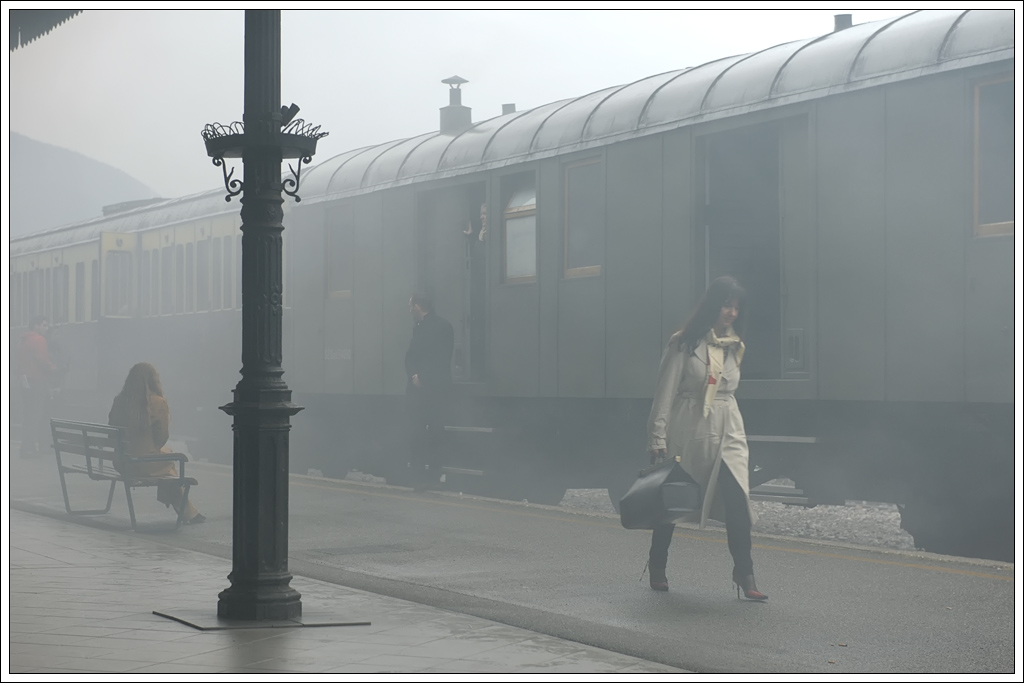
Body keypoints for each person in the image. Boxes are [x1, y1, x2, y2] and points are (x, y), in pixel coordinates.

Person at [644, 275, 767, 601]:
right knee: (673, 501)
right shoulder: (683, 343)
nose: (731, 313)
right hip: (690, 428)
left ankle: (745, 572)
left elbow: (728, 390)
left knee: (738, 499)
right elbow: (665, 392)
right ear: (713, 305)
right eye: (727, 305)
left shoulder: (735, 346)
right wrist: (657, 437)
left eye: (736, 307)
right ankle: (657, 564)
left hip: (729, 430)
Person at [107, 362, 205, 524]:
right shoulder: (158, 402)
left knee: (166, 457)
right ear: (153, 381)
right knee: (170, 462)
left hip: (121, 461)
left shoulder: (119, 400)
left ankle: (188, 511)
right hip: (141, 464)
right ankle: (187, 512)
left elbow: (111, 429)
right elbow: (161, 438)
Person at [404, 294, 454, 487]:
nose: (409, 310)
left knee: (434, 432)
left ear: (417, 306)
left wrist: (422, 377)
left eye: (410, 306)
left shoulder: (442, 327)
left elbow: (441, 358)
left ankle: (433, 474)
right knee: (417, 432)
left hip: (435, 389)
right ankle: (418, 476)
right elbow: (410, 357)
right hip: (418, 390)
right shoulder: (418, 328)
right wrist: (413, 375)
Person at [18, 316, 57, 458]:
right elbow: (43, 361)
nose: (47, 328)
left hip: (25, 382)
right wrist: (54, 369)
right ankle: (33, 449)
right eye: (44, 325)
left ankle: (26, 447)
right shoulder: (39, 340)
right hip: (37, 381)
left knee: (28, 416)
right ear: (36, 326)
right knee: (37, 415)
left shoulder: (24, 340)